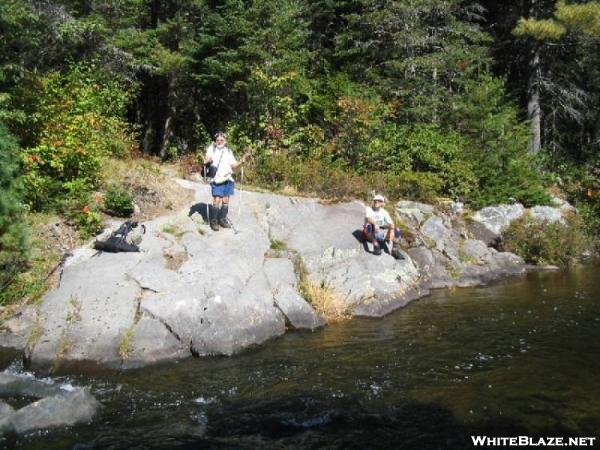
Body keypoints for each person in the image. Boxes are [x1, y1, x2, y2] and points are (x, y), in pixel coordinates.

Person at [203, 132, 242, 231]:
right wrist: (207, 160)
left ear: (225, 141)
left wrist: (242, 162)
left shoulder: (228, 151)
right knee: (217, 199)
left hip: (228, 178)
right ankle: (214, 221)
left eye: (222, 140)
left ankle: (222, 219)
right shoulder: (212, 149)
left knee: (226, 200)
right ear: (215, 141)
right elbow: (206, 158)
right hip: (217, 178)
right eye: (218, 140)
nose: (219, 142)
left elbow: (233, 165)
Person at [363, 194, 403, 259]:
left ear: (382, 203)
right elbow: (368, 218)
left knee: (397, 230)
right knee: (368, 226)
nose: (376, 202)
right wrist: (375, 224)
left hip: (380, 231)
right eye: (375, 200)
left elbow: (391, 223)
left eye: (379, 201)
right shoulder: (369, 209)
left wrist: (392, 230)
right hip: (369, 232)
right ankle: (376, 246)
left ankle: (394, 250)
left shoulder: (384, 212)